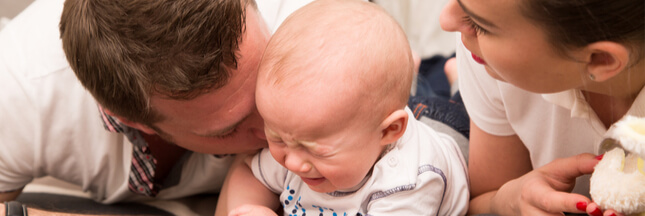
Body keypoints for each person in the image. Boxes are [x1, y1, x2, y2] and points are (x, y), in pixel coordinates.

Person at [0, 0, 311, 214]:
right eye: (229, 128)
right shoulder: (19, 94)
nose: (274, 129)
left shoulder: (315, 27)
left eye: (263, 85)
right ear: (133, 121)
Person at [215, 0, 470, 215]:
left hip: (443, 123)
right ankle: (409, 74)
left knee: (459, 105)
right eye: (276, 137)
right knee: (384, 92)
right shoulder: (299, 135)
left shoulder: (408, 185)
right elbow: (248, 173)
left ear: (387, 131)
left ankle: (455, 75)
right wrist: (250, 207)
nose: (291, 162)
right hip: (371, 117)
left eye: (317, 151)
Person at [439, 0, 644, 215]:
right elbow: (479, 201)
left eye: (481, 25)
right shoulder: (482, 53)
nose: (446, 20)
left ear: (601, 59)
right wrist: (510, 200)